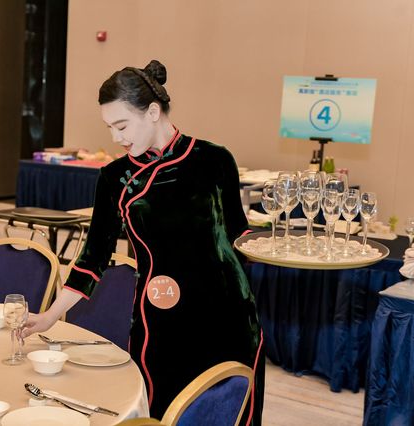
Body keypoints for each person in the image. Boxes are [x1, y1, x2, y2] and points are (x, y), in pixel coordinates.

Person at [22, 60, 264, 424]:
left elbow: (239, 234)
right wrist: (50, 316)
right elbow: (92, 257)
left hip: (227, 315)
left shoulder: (214, 159)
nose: (116, 138)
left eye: (122, 126)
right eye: (109, 128)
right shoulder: (114, 178)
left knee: (229, 412)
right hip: (161, 319)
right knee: (163, 412)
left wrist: (275, 248)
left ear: (153, 112)